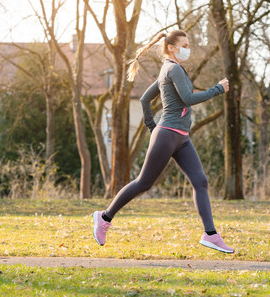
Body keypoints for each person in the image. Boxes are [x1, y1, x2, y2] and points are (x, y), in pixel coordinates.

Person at [92, 30, 234, 253]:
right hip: (168, 134)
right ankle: (104, 217)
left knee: (200, 181)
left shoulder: (168, 70)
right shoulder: (173, 68)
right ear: (171, 48)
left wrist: (151, 126)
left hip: (181, 138)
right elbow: (188, 98)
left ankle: (211, 235)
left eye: (188, 44)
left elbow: (145, 98)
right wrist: (217, 89)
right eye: (184, 45)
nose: (188, 49)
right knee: (144, 183)